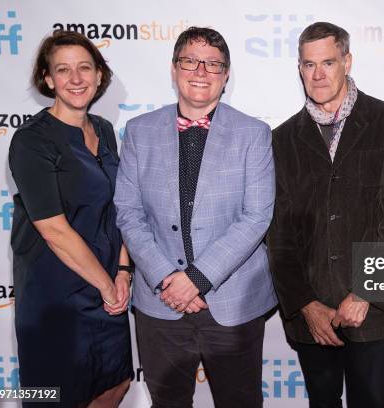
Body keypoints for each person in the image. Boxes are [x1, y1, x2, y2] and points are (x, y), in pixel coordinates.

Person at [114, 26, 276, 408]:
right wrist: (168, 280)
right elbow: (128, 212)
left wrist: (197, 280)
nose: (200, 71)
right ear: (174, 69)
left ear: (226, 75)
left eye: (213, 64)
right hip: (160, 304)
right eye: (190, 60)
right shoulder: (139, 132)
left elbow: (256, 216)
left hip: (234, 304)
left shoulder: (254, 133)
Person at [267, 21, 384, 408]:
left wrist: (365, 291)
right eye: (308, 64)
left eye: (328, 62)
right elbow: (278, 234)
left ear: (347, 62)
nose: (318, 74)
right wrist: (306, 305)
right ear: (299, 68)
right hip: (311, 317)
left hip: (369, 312)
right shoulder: (281, 139)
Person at [9, 30, 133, 407]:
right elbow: (53, 229)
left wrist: (123, 271)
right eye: (63, 70)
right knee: (57, 397)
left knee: (116, 384)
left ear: (99, 75)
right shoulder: (32, 140)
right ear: (48, 79)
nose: (76, 79)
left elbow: (122, 206)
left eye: (84, 68)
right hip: (56, 296)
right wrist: (107, 285)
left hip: (108, 287)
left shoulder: (105, 131)